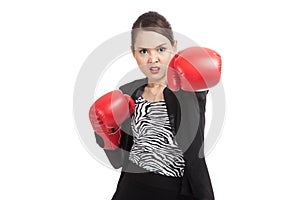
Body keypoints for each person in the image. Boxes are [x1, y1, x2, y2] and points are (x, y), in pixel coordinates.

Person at [89, 11, 221, 200]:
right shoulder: (128, 92)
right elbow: (117, 160)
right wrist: (104, 132)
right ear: (134, 53)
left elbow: (204, 80)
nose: (153, 59)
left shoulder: (188, 90)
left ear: (174, 47)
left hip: (176, 189)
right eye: (144, 51)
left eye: (161, 49)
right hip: (132, 185)